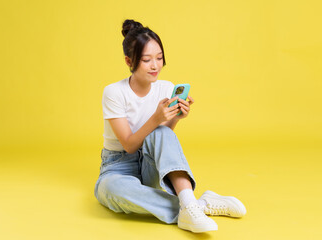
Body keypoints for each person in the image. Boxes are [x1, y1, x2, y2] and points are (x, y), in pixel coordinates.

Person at [94, 19, 247, 233]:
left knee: (162, 131)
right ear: (130, 61)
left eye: (159, 58)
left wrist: (175, 118)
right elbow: (129, 145)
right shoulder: (114, 92)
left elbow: (161, 140)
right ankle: (197, 206)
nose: (156, 65)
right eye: (147, 60)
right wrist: (156, 118)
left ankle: (188, 203)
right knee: (110, 190)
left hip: (151, 166)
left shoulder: (166, 88)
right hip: (118, 166)